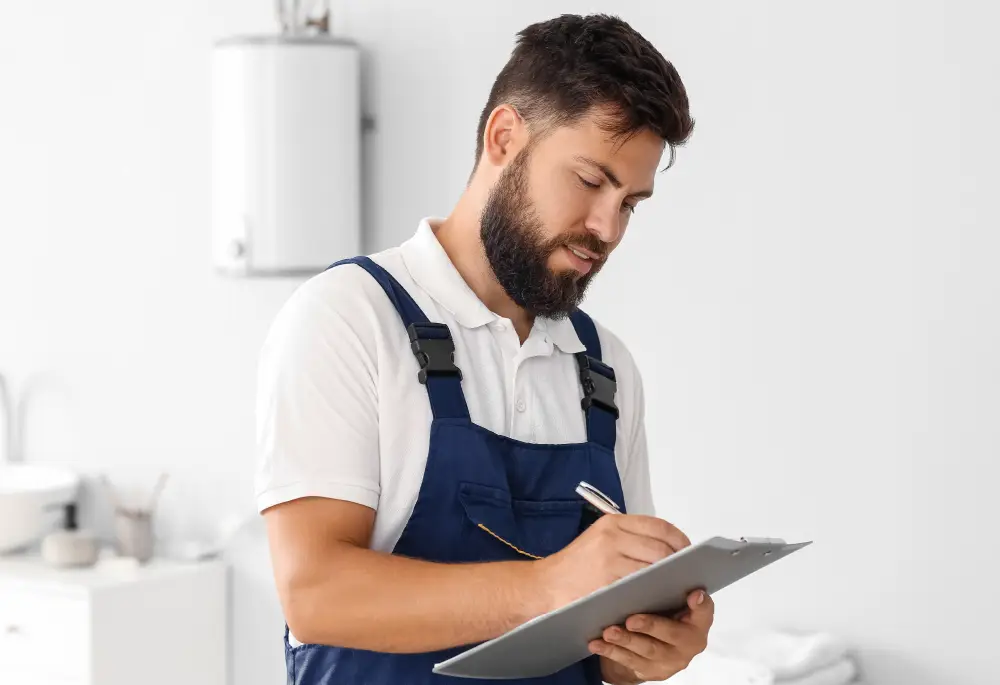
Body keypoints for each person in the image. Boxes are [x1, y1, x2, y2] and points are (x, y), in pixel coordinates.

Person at [255, 12, 712, 685]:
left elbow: (608, 636)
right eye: (589, 181)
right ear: (504, 137)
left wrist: (652, 647)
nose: (606, 228)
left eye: (631, 203)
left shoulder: (605, 369)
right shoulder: (348, 317)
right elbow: (315, 591)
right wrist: (546, 586)